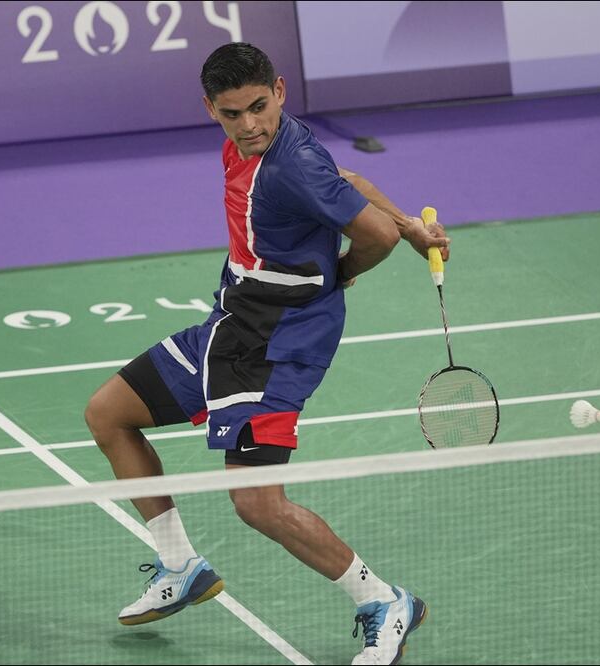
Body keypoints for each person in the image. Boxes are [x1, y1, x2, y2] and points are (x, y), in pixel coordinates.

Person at [84, 42, 449, 665]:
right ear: (212, 110)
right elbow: (353, 182)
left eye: (259, 107)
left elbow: (375, 235)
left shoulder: (294, 163)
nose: (250, 125)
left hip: (281, 341)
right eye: (233, 114)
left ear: (279, 90)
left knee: (257, 501)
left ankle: (385, 602)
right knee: (108, 414)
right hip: (232, 322)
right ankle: (181, 566)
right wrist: (412, 224)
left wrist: (341, 269)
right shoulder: (259, 141)